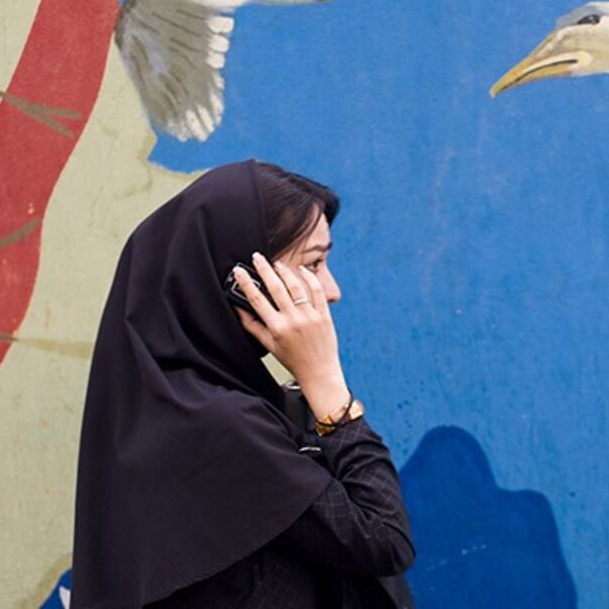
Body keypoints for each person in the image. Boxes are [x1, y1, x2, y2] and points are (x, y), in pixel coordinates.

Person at [71, 159, 416, 607]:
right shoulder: (219, 426)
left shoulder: (176, 405)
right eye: (314, 264)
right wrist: (327, 383)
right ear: (242, 284)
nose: (331, 290)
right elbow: (384, 538)